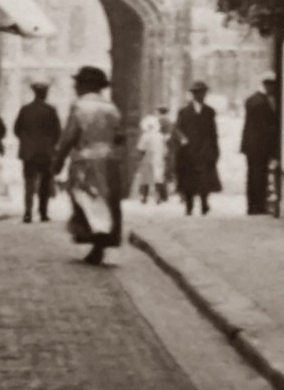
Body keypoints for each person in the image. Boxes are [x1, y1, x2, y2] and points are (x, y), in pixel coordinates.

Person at [55, 66, 125, 265]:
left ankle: (96, 238)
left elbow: (69, 137)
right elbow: (119, 136)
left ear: (86, 85)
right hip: (109, 160)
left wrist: (58, 161)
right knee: (106, 200)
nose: (75, 87)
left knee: (86, 199)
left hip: (85, 160)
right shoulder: (111, 108)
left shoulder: (79, 107)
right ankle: (101, 240)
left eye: (78, 83)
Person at [14, 80, 62, 223]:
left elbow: (16, 129)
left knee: (29, 182)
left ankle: (28, 212)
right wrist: (51, 144)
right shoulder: (50, 111)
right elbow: (57, 132)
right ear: (45, 94)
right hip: (45, 152)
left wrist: (26, 141)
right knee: (44, 184)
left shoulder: (25, 110)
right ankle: (43, 213)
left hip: (29, 152)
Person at [174, 81, 221, 216]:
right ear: (193, 94)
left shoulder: (209, 112)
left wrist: (215, 149)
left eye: (202, 93)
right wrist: (183, 139)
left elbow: (213, 132)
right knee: (189, 180)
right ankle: (189, 206)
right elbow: (177, 128)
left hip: (204, 149)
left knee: (204, 179)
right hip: (188, 150)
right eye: (197, 93)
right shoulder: (184, 112)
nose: (200, 96)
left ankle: (204, 204)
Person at [241, 75, 280, 215]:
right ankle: (257, 206)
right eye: (272, 86)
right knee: (259, 176)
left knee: (253, 175)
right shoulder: (261, 102)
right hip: (259, 145)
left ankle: (253, 206)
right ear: (267, 85)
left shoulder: (253, 100)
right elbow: (265, 127)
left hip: (251, 146)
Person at [133, 114, 168, 203]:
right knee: (158, 177)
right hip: (158, 158)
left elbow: (141, 148)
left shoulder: (145, 136)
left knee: (146, 178)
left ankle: (144, 197)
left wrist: (139, 157)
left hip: (148, 158)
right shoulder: (160, 136)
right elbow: (165, 149)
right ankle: (158, 196)